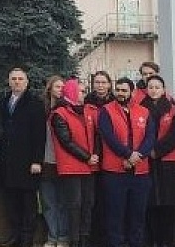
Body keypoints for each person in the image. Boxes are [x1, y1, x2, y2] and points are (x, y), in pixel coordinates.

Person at [98, 77, 154, 247]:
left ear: (132, 92)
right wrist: (128, 154)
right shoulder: (106, 111)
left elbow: (150, 137)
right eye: (118, 90)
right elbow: (108, 137)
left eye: (124, 90)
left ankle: (136, 243)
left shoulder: (144, 111)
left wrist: (138, 156)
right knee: (115, 213)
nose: (120, 93)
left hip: (140, 171)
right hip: (115, 171)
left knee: (138, 213)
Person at [0, 67, 46, 247]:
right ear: (9, 81)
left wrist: (36, 160)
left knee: (28, 203)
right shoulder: (2, 103)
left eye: (20, 79)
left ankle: (27, 239)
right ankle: (15, 235)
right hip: (8, 162)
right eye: (13, 79)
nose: (16, 82)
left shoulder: (35, 103)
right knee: (11, 202)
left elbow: (40, 135)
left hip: (28, 162)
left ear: (26, 82)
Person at [50, 77, 99, 247]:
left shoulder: (89, 110)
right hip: (72, 166)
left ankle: (85, 239)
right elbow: (66, 141)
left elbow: (98, 135)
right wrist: (87, 156)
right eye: (81, 91)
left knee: (88, 203)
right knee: (74, 205)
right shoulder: (60, 113)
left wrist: (95, 155)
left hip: (90, 166)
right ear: (71, 92)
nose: (84, 94)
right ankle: (75, 240)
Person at [140, 76, 175, 247]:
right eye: (151, 87)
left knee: (168, 204)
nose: (154, 90)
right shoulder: (140, 109)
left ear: (164, 89)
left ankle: (168, 241)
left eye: (157, 87)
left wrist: (156, 150)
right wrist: (146, 150)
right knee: (149, 204)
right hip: (146, 161)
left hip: (167, 162)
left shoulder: (173, 110)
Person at [84, 71, 114, 247]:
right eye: (97, 82)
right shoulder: (87, 102)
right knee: (92, 199)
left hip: (111, 155)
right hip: (92, 156)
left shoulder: (115, 102)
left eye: (103, 82)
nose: (100, 86)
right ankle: (93, 236)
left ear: (109, 84)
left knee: (108, 199)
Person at [39, 76, 68, 247]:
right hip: (45, 160)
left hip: (63, 162)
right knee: (48, 203)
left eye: (63, 87)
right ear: (50, 88)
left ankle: (63, 236)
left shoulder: (67, 108)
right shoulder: (41, 108)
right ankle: (52, 236)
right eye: (57, 86)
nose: (61, 90)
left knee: (63, 202)